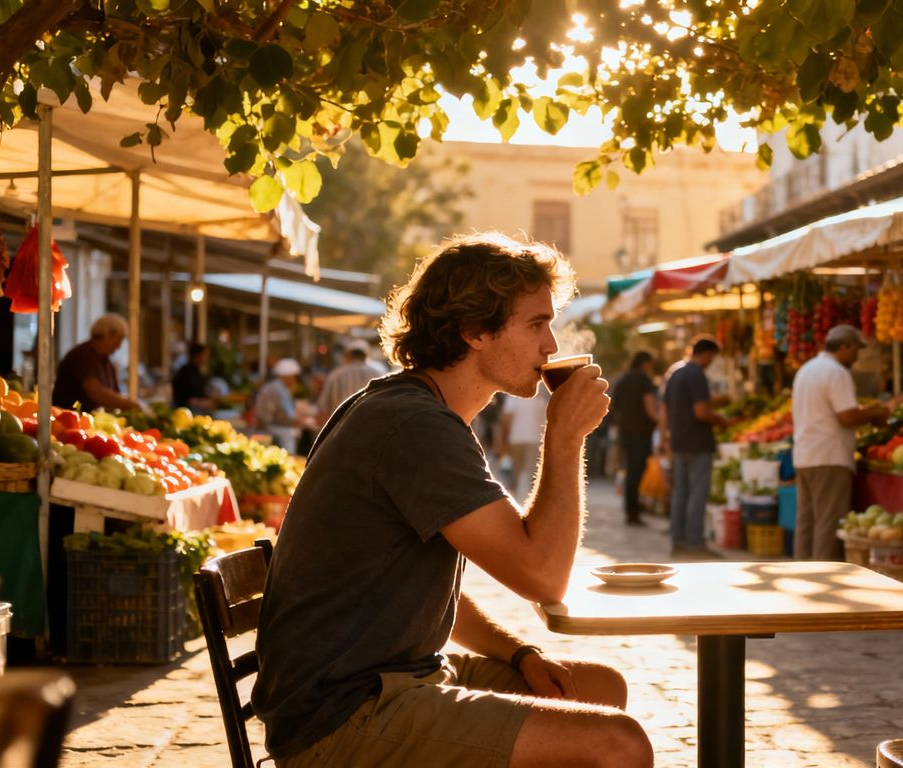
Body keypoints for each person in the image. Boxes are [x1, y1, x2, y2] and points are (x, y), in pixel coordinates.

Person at [252, 234, 650, 768]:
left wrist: (519, 652)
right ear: (474, 331)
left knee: (595, 687)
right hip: (344, 716)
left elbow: (432, 597)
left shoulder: (417, 411)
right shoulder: (415, 426)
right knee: (618, 744)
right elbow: (542, 575)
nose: (551, 346)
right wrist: (565, 438)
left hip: (394, 678)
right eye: (536, 324)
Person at [792, 325, 888, 560]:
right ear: (845, 347)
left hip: (805, 455)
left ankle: (802, 575)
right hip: (829, 457)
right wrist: (876, 413)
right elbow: (847, 417)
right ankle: (822, 579)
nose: (857, 355)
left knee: (807, 522)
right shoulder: (836, 372)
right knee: (828, 523)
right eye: (856, 349)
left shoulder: (807, 369)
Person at [661, 336, 727, 556]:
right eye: (712, 356)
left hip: (679, 441)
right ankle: (695, 543)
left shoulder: (676, 373)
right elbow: (701, 411)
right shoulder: (696, 375)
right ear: (707, 353)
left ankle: (678, 541)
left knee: (681, 492)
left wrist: (665, 437)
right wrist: (720, 420)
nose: (712, 361)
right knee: (697, 493)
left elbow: (665, 409)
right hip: (697, 443)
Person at [52, 313, 143, 412]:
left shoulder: (106, 361)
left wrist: (126, 402)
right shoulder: (83, 355)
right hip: (69, 418)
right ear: (108, 335)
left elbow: (114, 392)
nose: (119, 346)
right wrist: (130, 404)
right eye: (118, 340)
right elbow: (95, 391)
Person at [611, 350, 659, 526]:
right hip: (640, 433)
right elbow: (650, 409)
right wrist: (662, 421)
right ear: (645, 363)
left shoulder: (623, 380)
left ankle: (631, 509)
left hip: (626, 432)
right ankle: (633, 512)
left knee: (630, 471)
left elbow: (615, 406)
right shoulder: (643, 380)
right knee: (636, 472)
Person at [496, 388, 551, 500]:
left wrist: (502, 439)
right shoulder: (540, 400)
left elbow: (506, 420)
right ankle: (531, 500)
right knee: (532, 473)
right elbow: (546, 422)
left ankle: (517, 500)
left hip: (516, 439)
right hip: (535, 440)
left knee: (517, 472)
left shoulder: (513, 398)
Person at [315, 338, 381, 425]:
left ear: (347, 356)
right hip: (369, 426)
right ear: (366, 356)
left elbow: (323, 409)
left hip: (340, 429)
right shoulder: (376, 374)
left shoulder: (335, 375)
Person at [253, 358, 303, 452]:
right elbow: (281, 416)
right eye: (294, 377)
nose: (295, 380)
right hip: (271, 428)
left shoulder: (280, 388)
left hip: (275, 425)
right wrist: (295, 421)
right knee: (289, 435)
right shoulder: (275, 389)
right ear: (287, 376)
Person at [171, 342, 213, 411]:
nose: (207, 358)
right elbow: (189, 400)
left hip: (194, 406)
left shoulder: (196, 371)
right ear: (196, 356)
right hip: (187, 409)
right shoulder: (187, 372)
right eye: (204, 354)